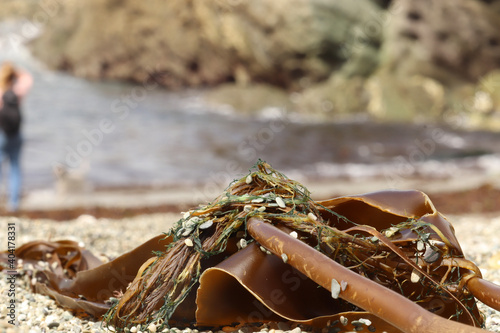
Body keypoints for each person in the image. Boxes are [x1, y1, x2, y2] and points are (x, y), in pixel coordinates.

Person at [0, 62, 33, 211]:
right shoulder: (18, 90)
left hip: (1, 134)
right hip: (16, 133)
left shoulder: (1, 89)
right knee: (15, 167)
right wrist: (14, 70)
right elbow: (28, 78)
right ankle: (13, 204)